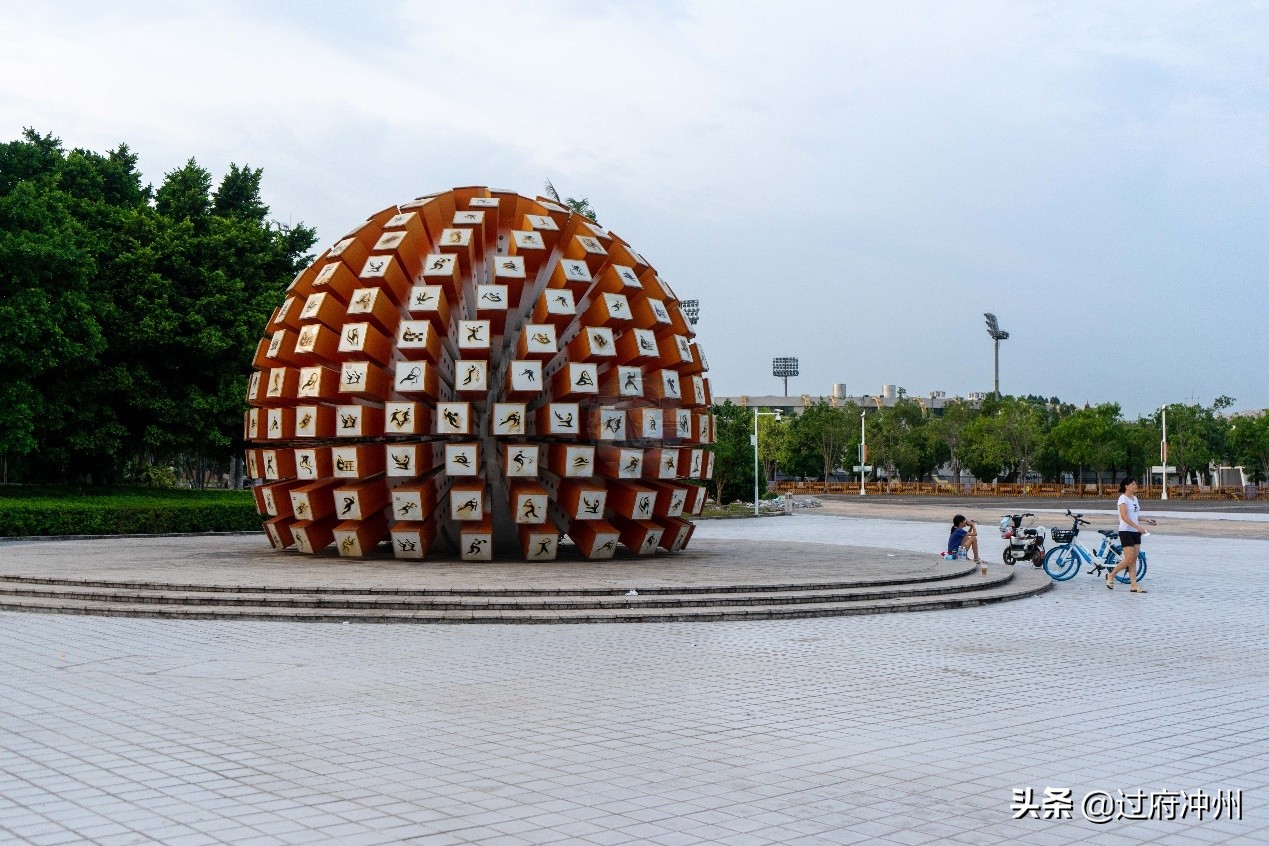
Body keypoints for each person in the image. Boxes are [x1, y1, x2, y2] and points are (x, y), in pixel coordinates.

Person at [1108, 478, 1155, 593]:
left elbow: (1135, 515)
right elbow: (1124, 517)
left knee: (1133, 559)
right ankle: (1111, 574)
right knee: (1129, 558)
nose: (1135, 486)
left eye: (1136, 483)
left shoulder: (1135, 499)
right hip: (1126, 531)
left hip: (1135, 532)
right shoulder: (1122, 499)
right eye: (1133, 484)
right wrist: (1137, 527)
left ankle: (1133, 585)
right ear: (1126, 486)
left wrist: (1148, 520)